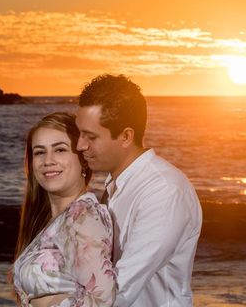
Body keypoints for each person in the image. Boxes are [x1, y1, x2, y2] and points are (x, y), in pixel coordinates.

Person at [76, 74, 202, 307]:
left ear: (126, 136)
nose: (80, 145)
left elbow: (118, 289)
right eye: (80, 133)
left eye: (91, 136)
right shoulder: (117, 186)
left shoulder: (163, 192)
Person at [12, 112, 116, 307]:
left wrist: (39, 304)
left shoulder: (82, 217)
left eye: (60, 150)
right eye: (39, 152)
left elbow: (103, 302)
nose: (48, 160)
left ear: (83, 160)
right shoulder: (54, 222)